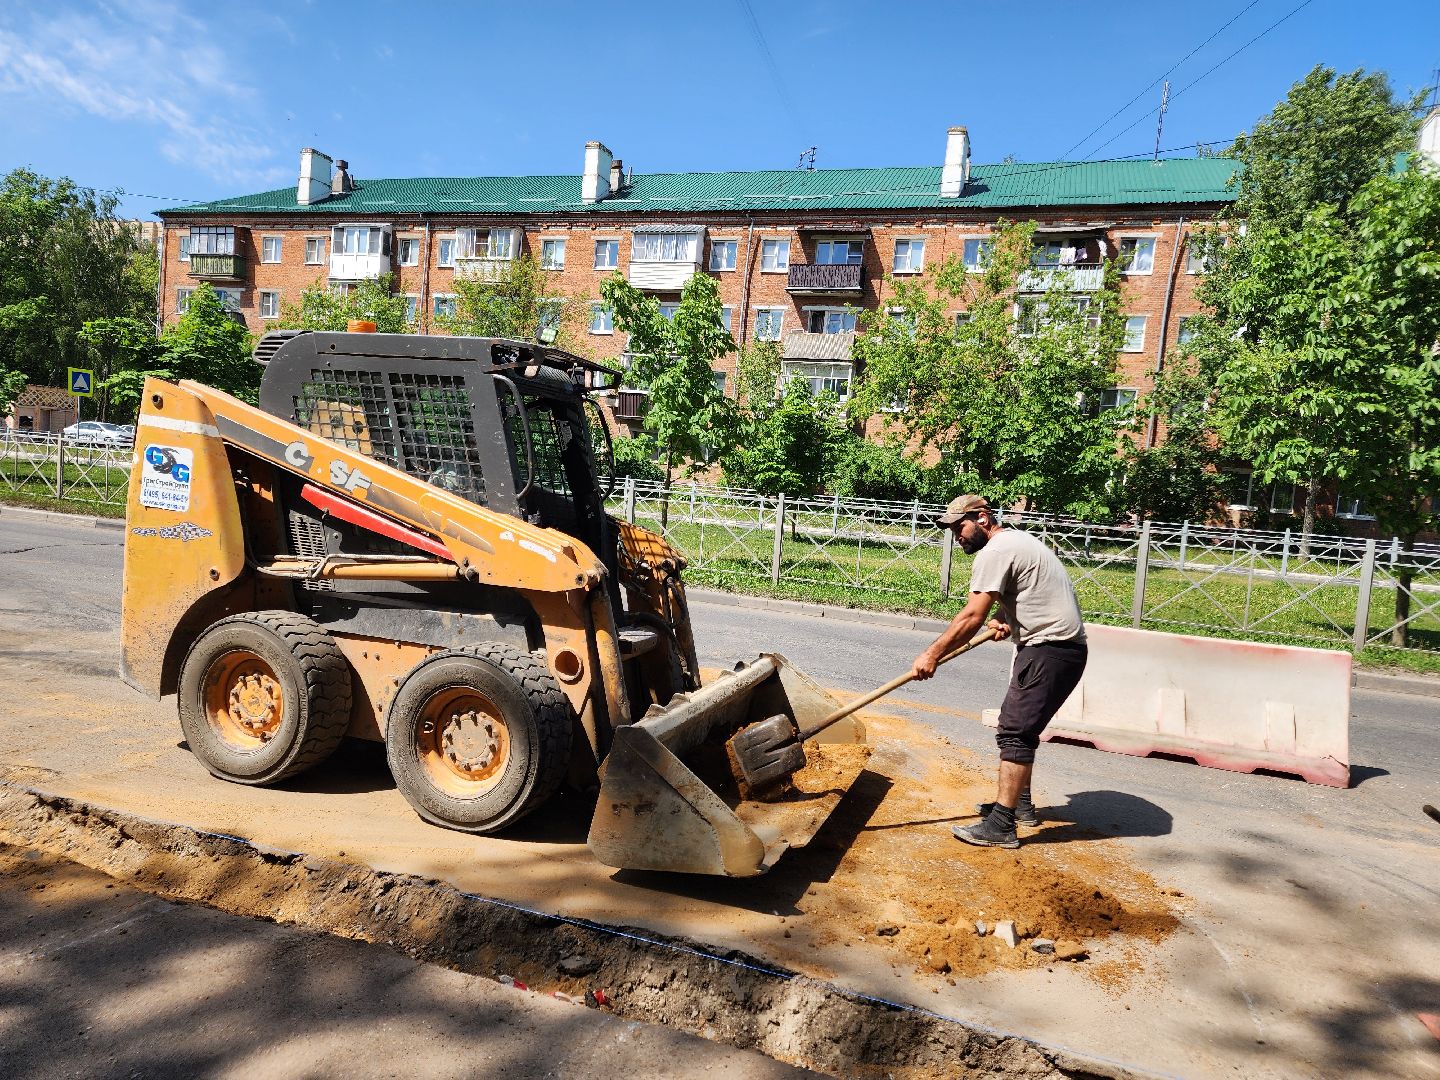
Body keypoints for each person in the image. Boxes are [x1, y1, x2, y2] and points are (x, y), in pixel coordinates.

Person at [911, 495, 1087, 849]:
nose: (956, 536)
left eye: (960, 527)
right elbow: (1029, 588)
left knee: (1015, 732)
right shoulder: (1017, 542)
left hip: (1050, 649)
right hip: (1056, 649)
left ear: (982, 518)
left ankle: (1001, 825)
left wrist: (931, 654)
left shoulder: (995, 551)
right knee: (1020, 728)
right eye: (951, 531)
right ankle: (1020, 806)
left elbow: (971, 616)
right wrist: (1004, 616)